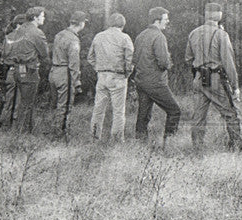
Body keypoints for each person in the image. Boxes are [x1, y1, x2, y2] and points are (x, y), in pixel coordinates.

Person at [185, 3, 242, 151]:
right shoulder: (221, 35)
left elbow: (188, 58)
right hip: (216, 78)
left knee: (198, 116)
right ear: (220, 15)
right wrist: (235, 87)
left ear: (205, 14)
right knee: (230, 113)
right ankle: (236, 147)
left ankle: (197, 149)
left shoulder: (194, 33)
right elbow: (228, 63)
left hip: (198, 78)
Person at [132, 7, 182, 145]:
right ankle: (169, 144)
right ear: (157, 20)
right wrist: (169, 61)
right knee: (174, 111)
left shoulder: (140, 35)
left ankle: (140, 145)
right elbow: (164, 62)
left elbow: (134, 59)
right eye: (165, 19)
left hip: (141, 81)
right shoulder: (159, 36)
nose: (168, 21)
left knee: (143, 115)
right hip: (155, 82)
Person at [0, 6, 50, 132]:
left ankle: (20, 131)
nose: (44, 18)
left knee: (19, 103)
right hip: (29, 70)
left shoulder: (18, 31)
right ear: (35, 17)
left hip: (16, 70)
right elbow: (44, 54)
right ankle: (23, 133)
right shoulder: (37, 33)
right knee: (27, 104)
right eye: (42, 16)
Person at [88, 12, 134, 142]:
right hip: (118, 77)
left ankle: (94, 138)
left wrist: (99, 68)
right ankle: (117, 140)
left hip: (102, 76)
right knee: (119, 111)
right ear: (123, 25)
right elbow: (129, 60)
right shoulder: (125, 38)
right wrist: (126, 74)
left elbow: (90, 57)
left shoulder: (98, 36)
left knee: (98, 110)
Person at [48, 11, 88, 138]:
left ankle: (54, 129)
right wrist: (77, 82)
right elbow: (74, 63)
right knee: (65, 106)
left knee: (55, 104)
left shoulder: (59, 35)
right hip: (65, 73)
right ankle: (59, 135)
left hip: (54, 71)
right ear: (81, 23)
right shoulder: (73, 39)